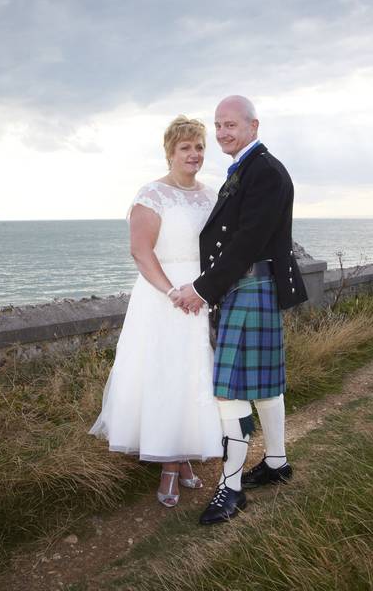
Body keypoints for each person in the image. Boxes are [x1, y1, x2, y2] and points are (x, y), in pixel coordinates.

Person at [174, 95, 308, 525]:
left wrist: (203, 288)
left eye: (230, 124)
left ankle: (230, 490)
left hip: (249, 285)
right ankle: (276, 462)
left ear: (254, 125)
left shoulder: (264, 171)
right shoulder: (248, 168)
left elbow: (248, 240)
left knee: (228, 389)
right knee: (265, 386)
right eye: (218, 125)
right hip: (250, 286)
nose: (222, 133)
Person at [90, 115, 223, 507]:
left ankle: (181, 457)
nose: (194, 154)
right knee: (166, 374)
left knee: (192, 375)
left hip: (198, 296)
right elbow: (141, 251)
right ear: (170, 152)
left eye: (199, 147)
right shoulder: (151, 195)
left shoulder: (211, 197)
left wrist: (203, 290)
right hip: (162, 297)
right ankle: (169, 464)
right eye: (186, 147)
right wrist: (171, 293)